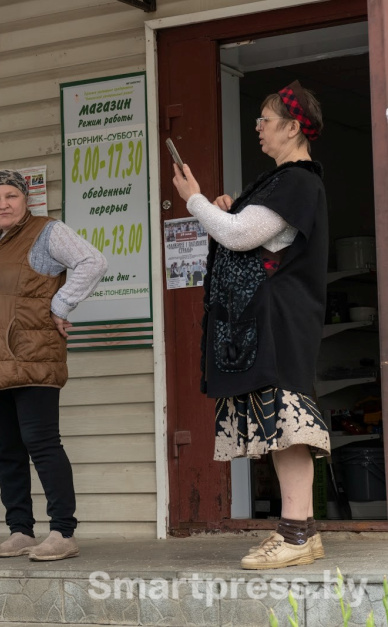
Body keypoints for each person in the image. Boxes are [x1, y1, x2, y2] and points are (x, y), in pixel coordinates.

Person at [171, 80, 328, 570]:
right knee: (280, 426)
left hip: (279, 322)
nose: (258, 127)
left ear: (292, 126)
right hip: (269, 321)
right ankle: (301, 533)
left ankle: (296, 534)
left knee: (289, 424)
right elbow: (248, 231)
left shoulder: (297, 180)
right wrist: (226, 210)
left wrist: (195, 201)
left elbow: (240, 236)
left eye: (265, 119)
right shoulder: (279, 180)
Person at [0, 169, 107, 562]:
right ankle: (21, 530)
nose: (3, 204)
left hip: (31, 355)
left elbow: (92, 262)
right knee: (6, 451)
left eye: (11, 196)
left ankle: (62, 531)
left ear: (26, 200)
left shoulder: (46, 232)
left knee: (41, 443)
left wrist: (60, 305)